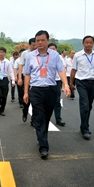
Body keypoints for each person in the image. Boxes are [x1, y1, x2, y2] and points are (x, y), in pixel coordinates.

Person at [23, 30, 70, 159]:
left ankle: (42, 136)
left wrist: (66, 85)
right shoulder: (30, 57)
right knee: (39, 116)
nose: (40, 42)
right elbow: (27, 75)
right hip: (36, 90)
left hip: (51, 89)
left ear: (47, 41)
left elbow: (61, 71)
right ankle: (44, 146)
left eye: (42, 40)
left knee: (47, 116)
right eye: (38, 40)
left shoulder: (55, 56)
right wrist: (26, 92)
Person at [70, 35, 94, 140]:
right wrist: (71, 83)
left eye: (90, 42)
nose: (88, 44)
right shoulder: (78, 55)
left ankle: (83, 125)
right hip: (81, 82)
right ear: (83, 43)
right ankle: (85, 129)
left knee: (89, 106)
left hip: (92, 82)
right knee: (84, 105)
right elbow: (73, 70)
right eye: (86, 42)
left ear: (93, 43)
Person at [0, 47, 15, 116]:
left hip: (5, 79)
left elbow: (11, 72)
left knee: (4, 96)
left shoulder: (8, 62)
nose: (1, 54)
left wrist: (13, 81)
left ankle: (2, 109)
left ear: (5, 53)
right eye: (0, 52)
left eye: (2, 52)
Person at [19, 38, 37, 124]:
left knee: (35, 99)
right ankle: (25, 111)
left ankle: (33, 120)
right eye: (33, 45)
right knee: (27, 98)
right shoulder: (25, 54)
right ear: (29, 45)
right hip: (26, 77)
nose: (34, 47)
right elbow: (21, 65)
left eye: (35, 45)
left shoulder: (39, 53)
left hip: (36, 78)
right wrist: (19, 78)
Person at [48, 43, 66, 126]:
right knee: (46, 101)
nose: (52, 50)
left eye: (54, 49)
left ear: (56, 49)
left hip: (57, 81)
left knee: (57, 101)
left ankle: (58, 119)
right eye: (50, 49)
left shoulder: (59, 58)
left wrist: (64, 85)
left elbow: (63, 71)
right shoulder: (44, 57)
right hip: (47, 82)